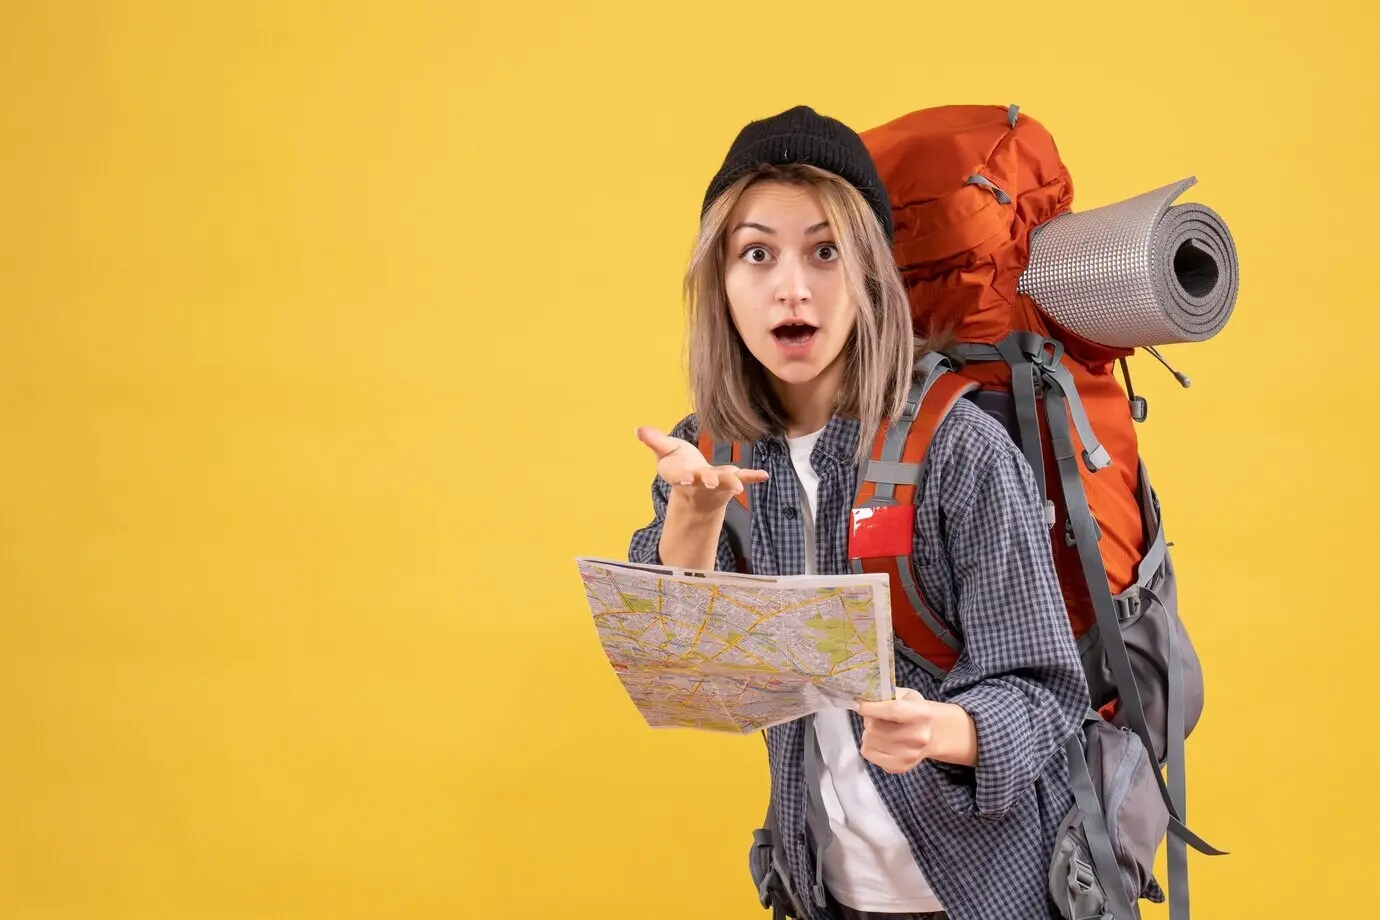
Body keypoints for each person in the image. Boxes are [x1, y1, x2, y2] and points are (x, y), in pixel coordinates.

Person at [627, 106, 1091, 920]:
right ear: (722, 282)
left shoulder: (960, 451)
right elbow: (680, 678)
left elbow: (1049, 692)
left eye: (826, 251)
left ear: (871, 274)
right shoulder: (706, 453)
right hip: (824, 893)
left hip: (993, 895)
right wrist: (690, 521)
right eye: (757, 253)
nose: (792, 286)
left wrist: (940, 730)